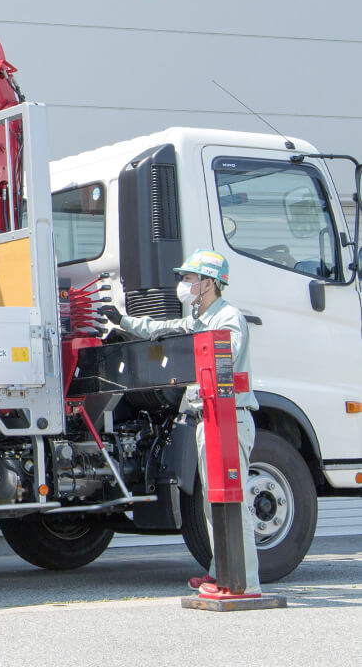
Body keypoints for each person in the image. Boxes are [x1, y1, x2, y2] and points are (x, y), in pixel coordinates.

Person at [101, 249, 260, 595]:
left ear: (209, 283)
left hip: (230, 421)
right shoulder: (200, 320)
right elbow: (164, 327)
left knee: (232, 502)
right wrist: (124, 321)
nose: (183, 284)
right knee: (212, 504)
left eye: (189, 278)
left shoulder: (228, 318)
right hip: (209, 421)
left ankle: (244, 582)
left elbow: (223, 358)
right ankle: (223, 572)